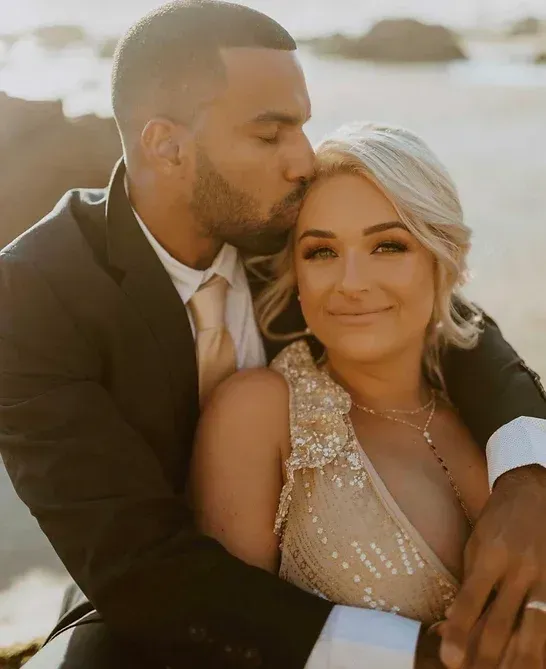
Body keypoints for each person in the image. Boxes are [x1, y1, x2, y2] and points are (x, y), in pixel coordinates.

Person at [0, 2, 546, 669]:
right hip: (147, 587)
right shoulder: (31, 297)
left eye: (304, 126)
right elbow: (140, 567)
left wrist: (527, 476)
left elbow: (457, 324)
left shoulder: (283, 225)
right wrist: (428, 657)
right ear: (167, 146)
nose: (304, 158)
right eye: (272, 133)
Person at [190, 120, 546, 669]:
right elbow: (224, 642)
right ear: (297, 276)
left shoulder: (495, 423)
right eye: (322, 252)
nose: (352, 281)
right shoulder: (260, 412)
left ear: (440, 257)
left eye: (387, 245)